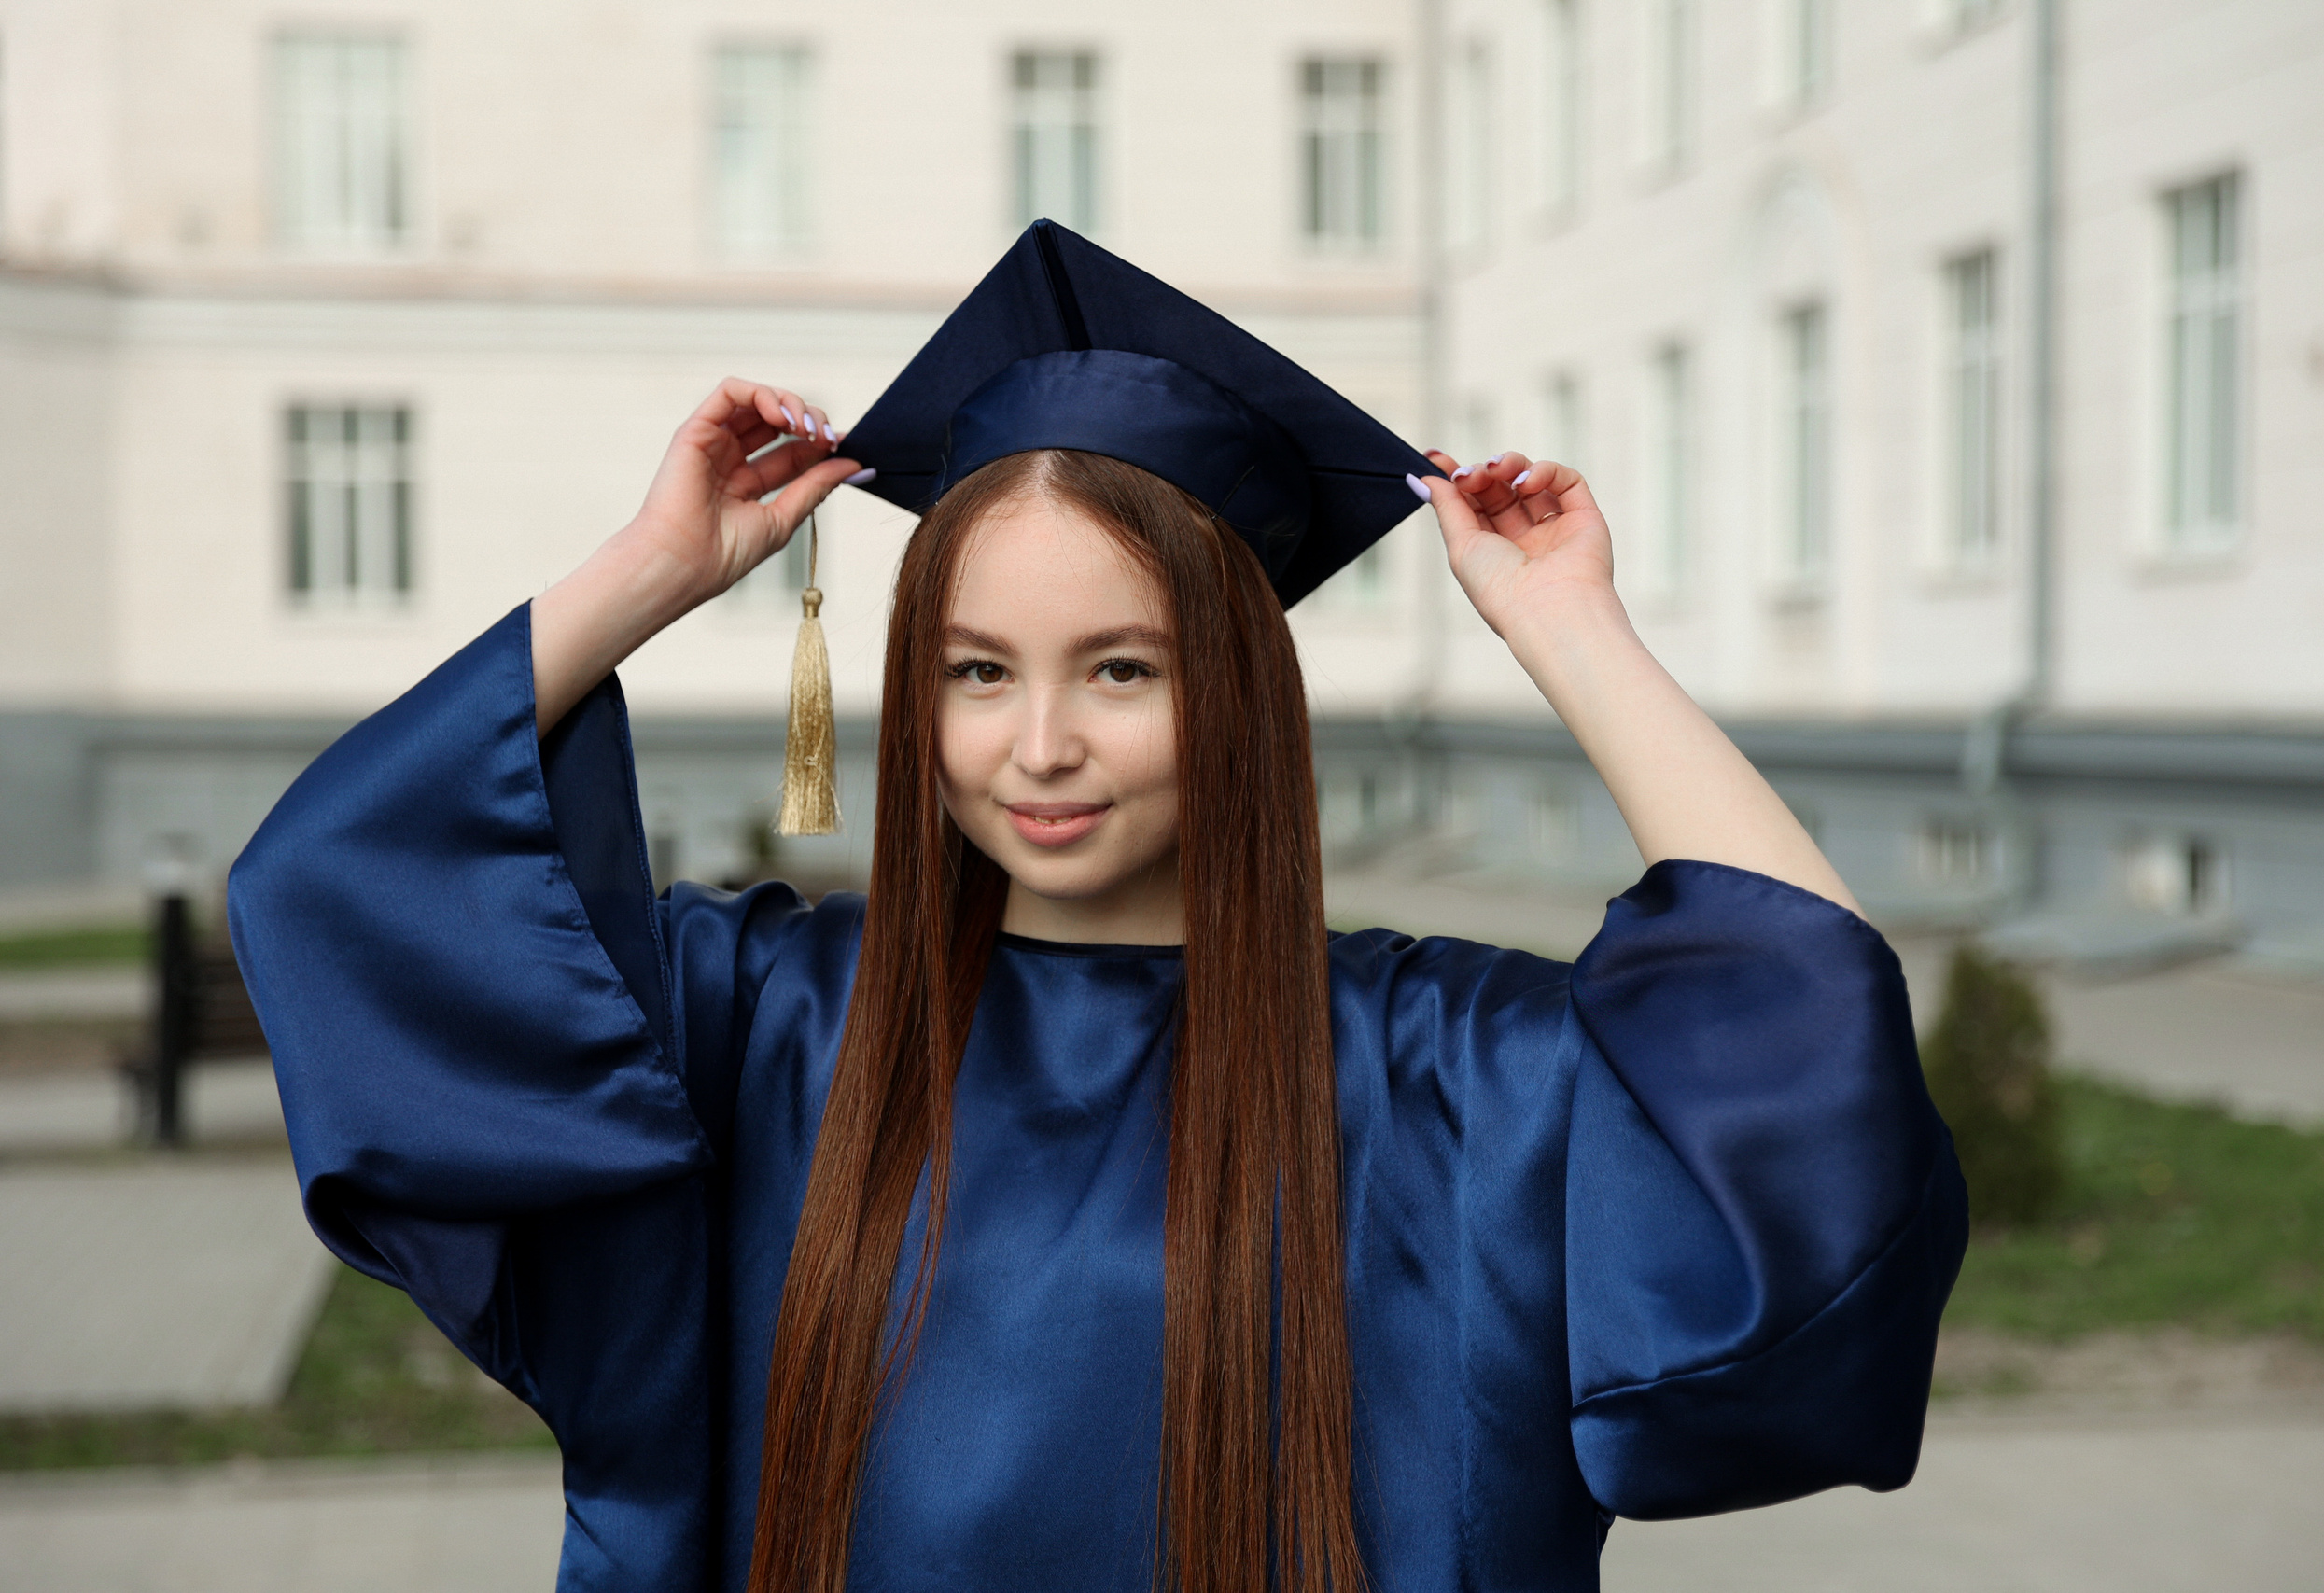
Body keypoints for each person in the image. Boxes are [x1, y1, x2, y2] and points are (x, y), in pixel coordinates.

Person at [231, 223, 1966, 1593]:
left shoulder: (1445, 1079)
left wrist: (1576, 634)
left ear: (1237, 690)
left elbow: (1806, 1093)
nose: (1038, 745)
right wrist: (649, 574)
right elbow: (341, 888)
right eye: (978, 670)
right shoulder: (757, 1029)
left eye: (1121, 668)